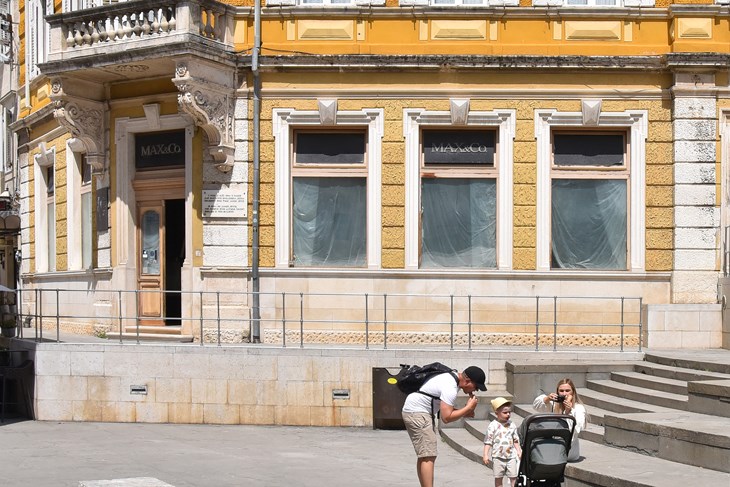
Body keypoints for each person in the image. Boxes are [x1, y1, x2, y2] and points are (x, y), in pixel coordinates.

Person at [402, 365, 487, 487]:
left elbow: (445, 409)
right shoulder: (450, 387)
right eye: (476, 386)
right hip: (418, 413)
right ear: (468, 381)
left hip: (416, 411)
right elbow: (446, 417)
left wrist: (465, 412)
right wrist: (468, 408)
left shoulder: (451, 378)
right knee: (428, 456)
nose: (476, 390)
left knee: (425, 455)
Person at [532, 378, 587, 462]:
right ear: (557, 392)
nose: (564, 394)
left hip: (569, 451)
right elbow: (536, 406)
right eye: (561, 391)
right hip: (552, 445)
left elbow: (574, 432)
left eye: (567, 391)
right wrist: (547, 399)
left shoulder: (579, 408)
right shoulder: (554, 404)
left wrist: (568, 412)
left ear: (573, 392)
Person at [483, 397, 522, 487]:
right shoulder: (493, 425)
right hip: (498, 456)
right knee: (498, 477)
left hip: (511, 456)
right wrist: (485, 454)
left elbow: (515, 440)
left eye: (509, 412)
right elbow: (488, 441)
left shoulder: (512, 424)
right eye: (505, 412)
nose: (508, 414)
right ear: (497, 413)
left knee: (513, 477)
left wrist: (518, 451)